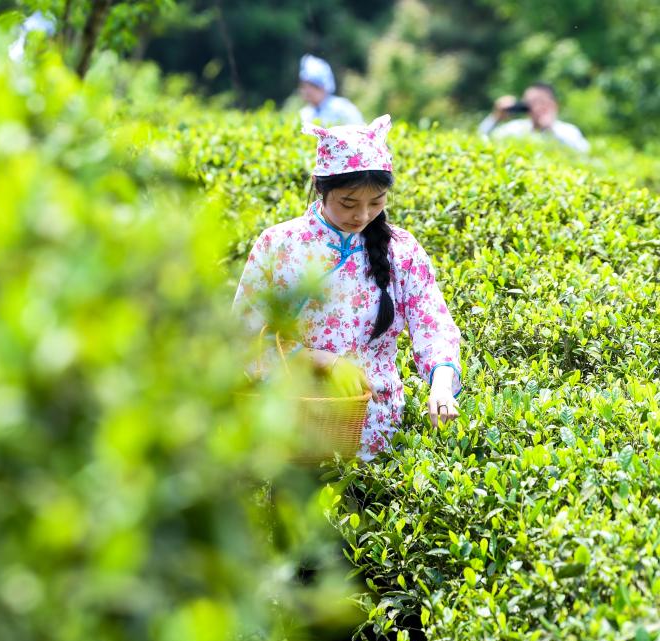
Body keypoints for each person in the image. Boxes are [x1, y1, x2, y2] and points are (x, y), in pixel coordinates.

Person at [233, 115, 462, 461]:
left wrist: (442, 384)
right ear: (320, 187)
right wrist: (321, 360)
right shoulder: (280, 245)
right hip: (296, 425)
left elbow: (433, 325)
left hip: (378, 428)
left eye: (377, 202)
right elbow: (243, 335)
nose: (362, 215)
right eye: (348, 203)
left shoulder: (401, 249)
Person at [478, 82, 589, 153]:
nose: (533, 107)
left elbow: (584, 153)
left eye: (539, 102)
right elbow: (482, 138)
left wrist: (550, 130)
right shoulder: (517, 129)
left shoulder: (567, 131)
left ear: (553, 104)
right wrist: (496, 117)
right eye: (529, 103)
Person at [297, 54, 364, 127]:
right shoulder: (304, 114)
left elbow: (360, 132)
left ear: (323, 87)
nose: (307, 90)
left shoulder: (343, 109)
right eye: (304, 85)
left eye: (312, 85)